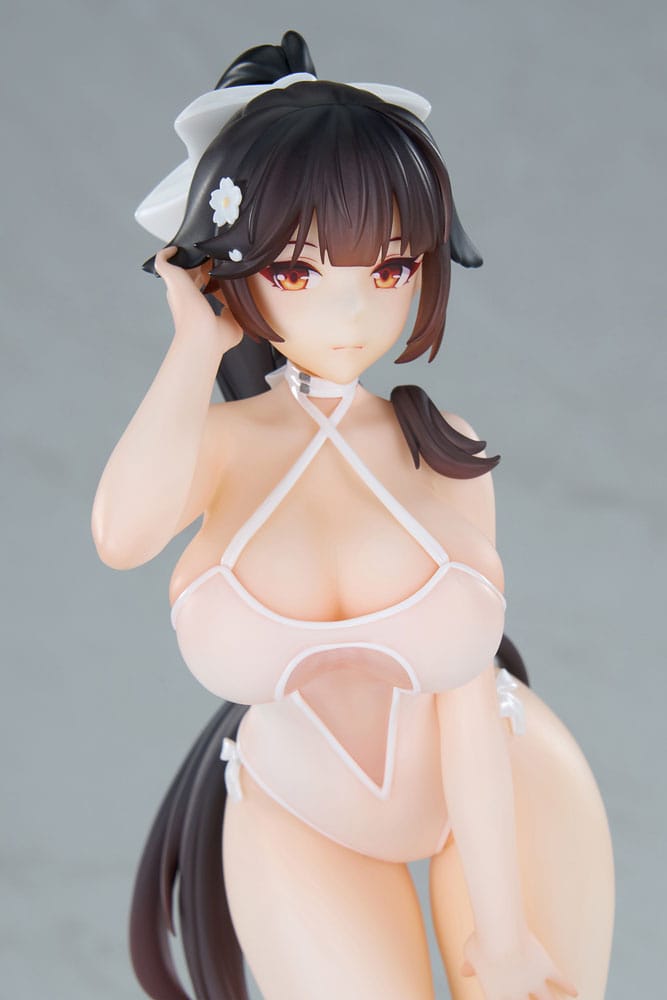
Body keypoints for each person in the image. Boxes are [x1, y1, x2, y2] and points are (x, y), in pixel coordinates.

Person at [92, 30, 614, 1000]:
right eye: (297, 272)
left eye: (390, 269)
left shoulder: (439, 446)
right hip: (298, 811)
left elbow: (465, 694)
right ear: (232, 267)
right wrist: (193, 348)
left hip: (501, 786)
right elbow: (121, 537)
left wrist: (502, 934)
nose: (351, 314)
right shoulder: (216, 450)